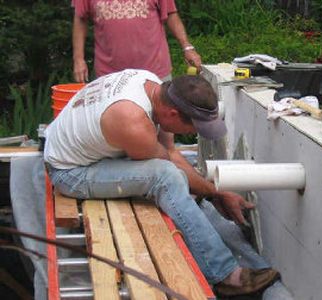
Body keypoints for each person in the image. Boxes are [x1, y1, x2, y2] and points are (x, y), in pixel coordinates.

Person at [44, 69, 280, 297]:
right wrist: (214, 193)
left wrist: (215, 193)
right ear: (173, 114)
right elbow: (167, 170)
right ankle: (226, 276)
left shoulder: (151, 84)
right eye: (193, 127)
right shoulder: (132, 121)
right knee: (165, 177)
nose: (194, 133)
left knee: (168, 173)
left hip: (87, 148)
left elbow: (170, 153)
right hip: (71, 172)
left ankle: (223, 268)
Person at [72, 0, 201, 83]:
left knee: (158, 122)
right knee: (114, 123)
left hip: (154, 73)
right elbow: (80, 18)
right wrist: (78, 59)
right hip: (109, 76)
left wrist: (187, 47)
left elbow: (171, 14)